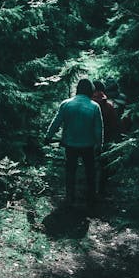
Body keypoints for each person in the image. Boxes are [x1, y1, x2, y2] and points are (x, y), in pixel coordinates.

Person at [45, 78, 103, 207]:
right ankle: (91, 197)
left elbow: (56, 122)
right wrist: (100, 145)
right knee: (90, 171)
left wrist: (48, 136)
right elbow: (98, 129)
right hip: (88, 145)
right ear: (90, 90)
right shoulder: (94, 106)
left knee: (70, 170)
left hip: (70, 144)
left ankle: (70, 197)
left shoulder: (66, 104)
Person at [92, 80, 119, 197]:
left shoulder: (88, 104)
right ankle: (101, 190)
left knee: (90, 164)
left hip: (90, 139)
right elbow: (115, 124)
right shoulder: (109, 105)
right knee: (104, 165)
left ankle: (90, 190)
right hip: (106, 139)